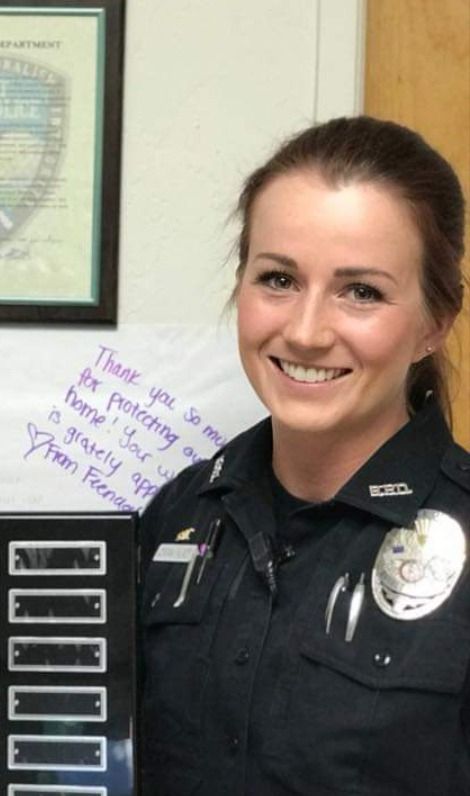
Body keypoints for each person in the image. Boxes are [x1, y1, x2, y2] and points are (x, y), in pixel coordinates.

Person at [139, 116, 470, 796]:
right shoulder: (176, 514)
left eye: (362, 292)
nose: (307, 330)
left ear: (434, 322)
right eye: (278, 279)